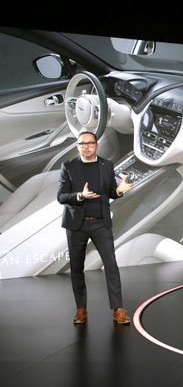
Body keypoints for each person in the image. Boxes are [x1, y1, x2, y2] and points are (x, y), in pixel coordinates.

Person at [57, 131, 134, 324]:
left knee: (111, 266)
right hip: (77, 225)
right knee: (76, 268)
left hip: (100, 223)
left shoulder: (106, 165)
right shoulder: (68, 166)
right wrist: (80, 196)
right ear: (78, 146)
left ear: (96, 145)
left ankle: (118, 309)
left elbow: (110, 193)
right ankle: (81, 309)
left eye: (89, 143)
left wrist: (118, 191)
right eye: (82, 144)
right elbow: (61, 197)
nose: (86, 147)